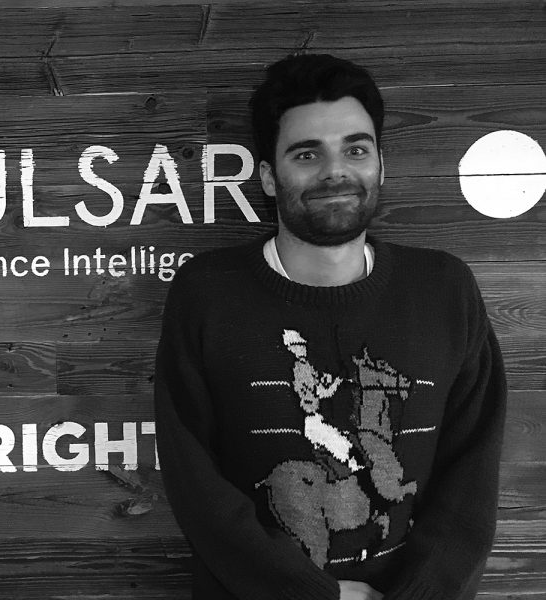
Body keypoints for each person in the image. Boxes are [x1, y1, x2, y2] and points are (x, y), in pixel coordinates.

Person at [154, 53, 506, 600]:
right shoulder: (205, 293)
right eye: (306, 153)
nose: (335, 171)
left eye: (355, 149)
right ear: (268, 176)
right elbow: (194, 482)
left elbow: (472, 477)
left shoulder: (446, 288)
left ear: (381, 164)